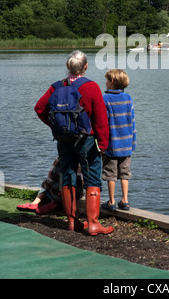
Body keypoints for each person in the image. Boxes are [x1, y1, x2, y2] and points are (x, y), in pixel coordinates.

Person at [34, 50, 113, 236]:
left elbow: (39, 108)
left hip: (63, 139)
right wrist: (103, 143)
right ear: (85, 66)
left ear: (67, 66)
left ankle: (72, 221)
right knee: (92, 178)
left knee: (67, 175)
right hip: (86, 140)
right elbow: (101, 118)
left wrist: (54, 126)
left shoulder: (56, 86)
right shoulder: (91, 87)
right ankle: (93, 223)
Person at [101, 69, 136, 212]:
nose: (106, 82)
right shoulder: (128, 98)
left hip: (111, 144)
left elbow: (104, 123)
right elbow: (132, 122)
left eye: (107, 80)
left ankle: (111, 201)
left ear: (112, 82)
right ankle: (125, 200)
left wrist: (102, 143)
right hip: (127, 143)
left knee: (111, 174)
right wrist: (133, 142)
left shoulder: (105, 99)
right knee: (125, 173)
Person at [16, 158, 84, 215]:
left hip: (57, 193)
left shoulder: (61, 160)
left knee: (48, 185)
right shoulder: (83, 162)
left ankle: (36, 202)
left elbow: (50, 179)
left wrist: (45, 184)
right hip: (76, 194)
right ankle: (54, 203)